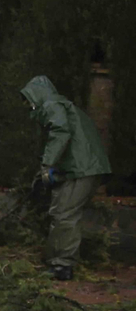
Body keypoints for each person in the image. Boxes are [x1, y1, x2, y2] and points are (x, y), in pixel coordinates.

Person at [20, 75, 111, 281]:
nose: (27, 105)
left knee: (64, 214)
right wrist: (41, 175)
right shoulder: (62, 106)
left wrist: (46, 166)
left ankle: (62, 267)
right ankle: (56, 261)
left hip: (82, 169)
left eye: (28, 100)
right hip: (83, 168)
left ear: (37, 95)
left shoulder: (52, 104)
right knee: (62, 212)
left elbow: (60, 132)